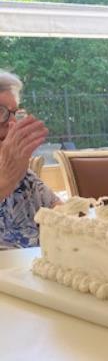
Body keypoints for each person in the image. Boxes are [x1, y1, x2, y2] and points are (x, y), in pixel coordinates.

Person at [0, 71, 60, 249]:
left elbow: (59, 209)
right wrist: (5, 179)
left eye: (14, 113)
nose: (12, 123)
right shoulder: (11, 170)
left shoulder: (22, 174)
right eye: (0, 111)